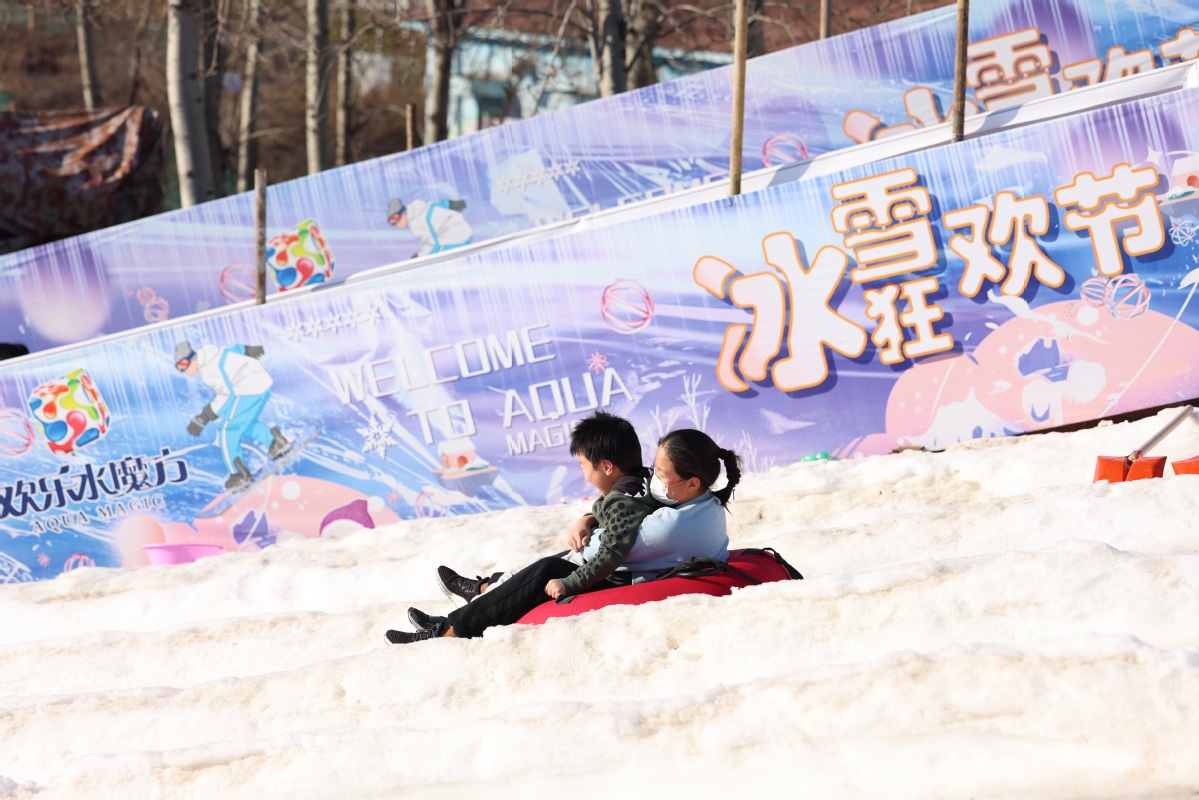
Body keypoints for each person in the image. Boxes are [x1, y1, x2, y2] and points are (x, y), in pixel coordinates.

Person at [386, 425, 742, 645]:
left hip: (631, 577)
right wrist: (589, 516)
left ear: (691, 482)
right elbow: (634, 504)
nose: (654, 478)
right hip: (645, 563)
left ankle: (450, 631)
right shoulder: (702, 500)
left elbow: (602, 552)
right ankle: (480, 595)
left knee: (549, 570)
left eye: (662, 474)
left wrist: (570, 577)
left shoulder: (668, 527)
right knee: (550, 565)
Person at [175, 340, 291, 491]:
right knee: (242, 424)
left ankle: (238, 474)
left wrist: (205, 415)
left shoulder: (208, 370)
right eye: (179, 368)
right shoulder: (214, 352)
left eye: (184, 364)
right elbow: (235, 349)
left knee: (227, 430)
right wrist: (248, 350)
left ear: (192, 357)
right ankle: (274, 441)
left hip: (248, 389)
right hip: (260, 383)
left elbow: (227, 395)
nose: (184, 369)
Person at [387, 197, 473, 258]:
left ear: (403, 212)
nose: (396, 223)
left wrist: (419, 257)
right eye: (392, 221)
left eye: (395, 218)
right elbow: (440, 204)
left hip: (456, 239)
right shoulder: (421, 206)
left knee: (437, 255)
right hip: (463, 231)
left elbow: (434, 243)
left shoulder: (415, 224)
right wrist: (453, 204)